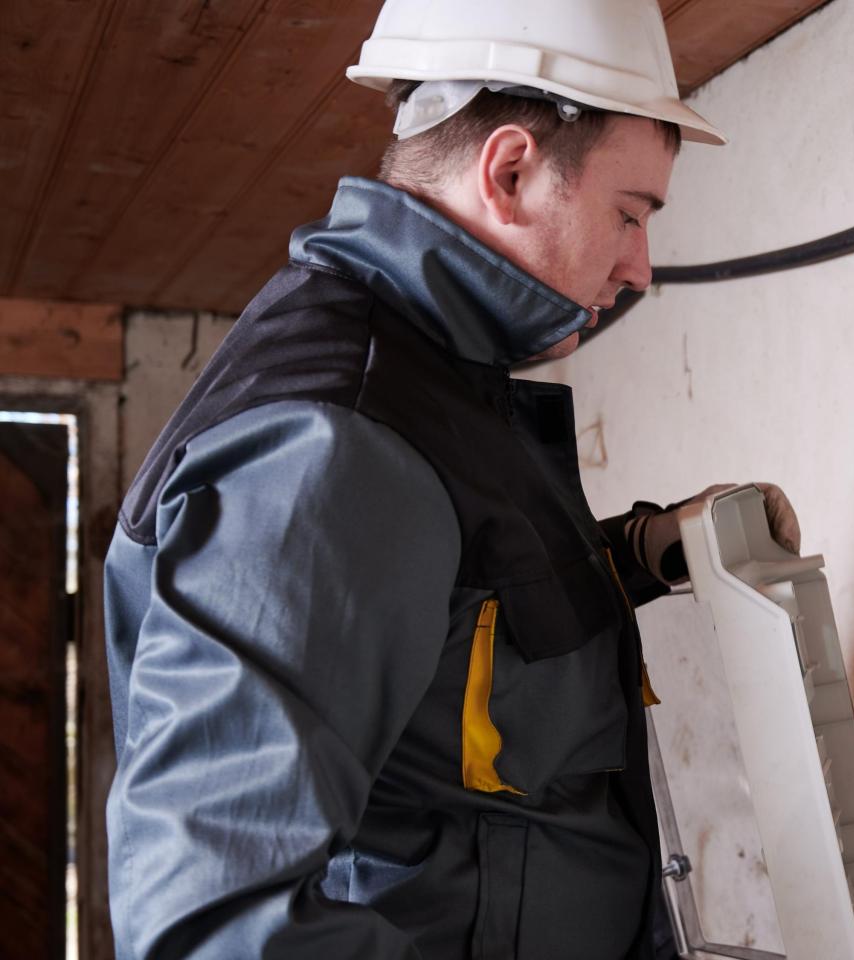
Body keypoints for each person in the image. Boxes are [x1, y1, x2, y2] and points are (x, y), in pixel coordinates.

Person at [102, 2, 797, 957]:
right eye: (629, 213)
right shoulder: (331, 444)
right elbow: (211, 923)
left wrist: (644, 550)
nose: (639, 266)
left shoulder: (428, 389)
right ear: (509, 172)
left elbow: (458, 620)